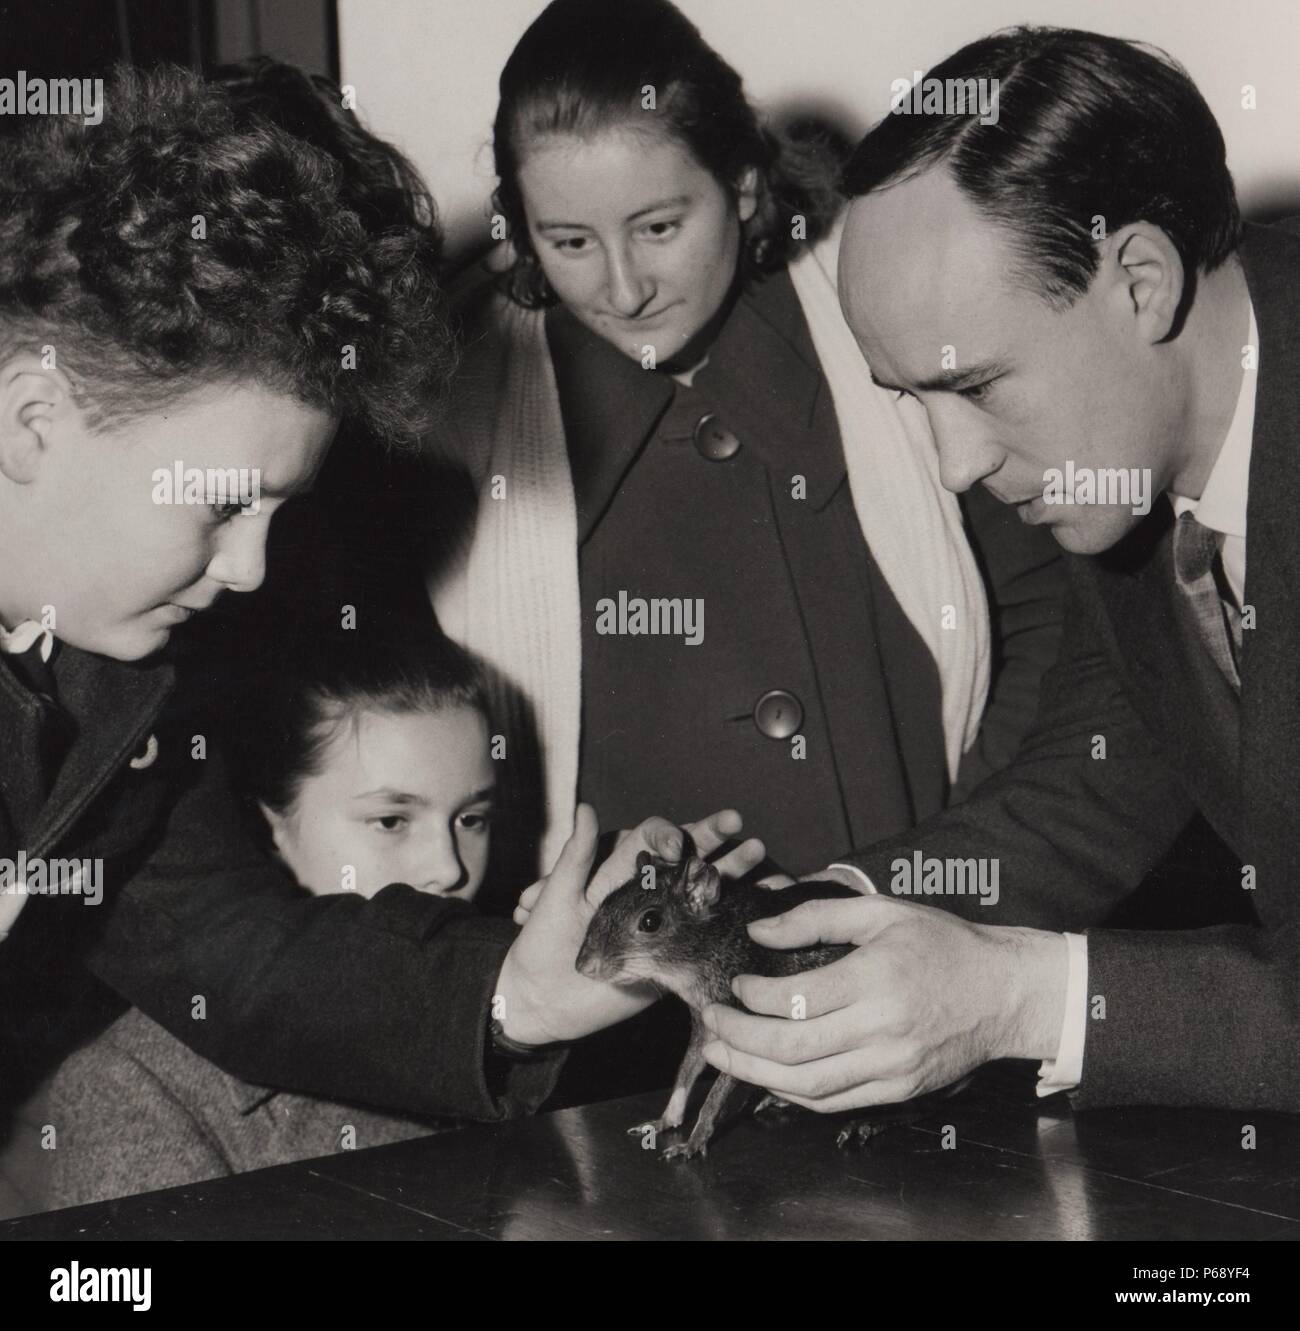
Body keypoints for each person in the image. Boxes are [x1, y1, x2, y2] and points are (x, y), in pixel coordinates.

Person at [0, 63, 749, 1152]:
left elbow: (235, 946)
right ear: (30, 419)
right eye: (219, 506)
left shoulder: (113, 681)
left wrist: (519, 996)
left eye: (276, 511)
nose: (251, 569)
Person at [428, 0, 1066, 1096]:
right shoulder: (451, 413)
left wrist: (960, 881)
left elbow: (1050, 625)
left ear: (745, 188)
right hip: (615, 1059)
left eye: (660, 226)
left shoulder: (891, 336)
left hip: (919, 1003)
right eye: (568, 241)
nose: (620, 286)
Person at [697, 26, 1299, 1114]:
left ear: (1141, 283)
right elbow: (1101, 771)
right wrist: (824, 917)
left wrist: (1025, 998)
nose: (956, 461)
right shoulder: (1124, 472)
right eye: (908, 400)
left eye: (973, 386)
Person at [47, 637, 502, 1206]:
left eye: (472, 817)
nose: (448, 868)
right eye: (391, 820)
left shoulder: (500, 1040)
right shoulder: (131, 1088)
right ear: (269, 829)